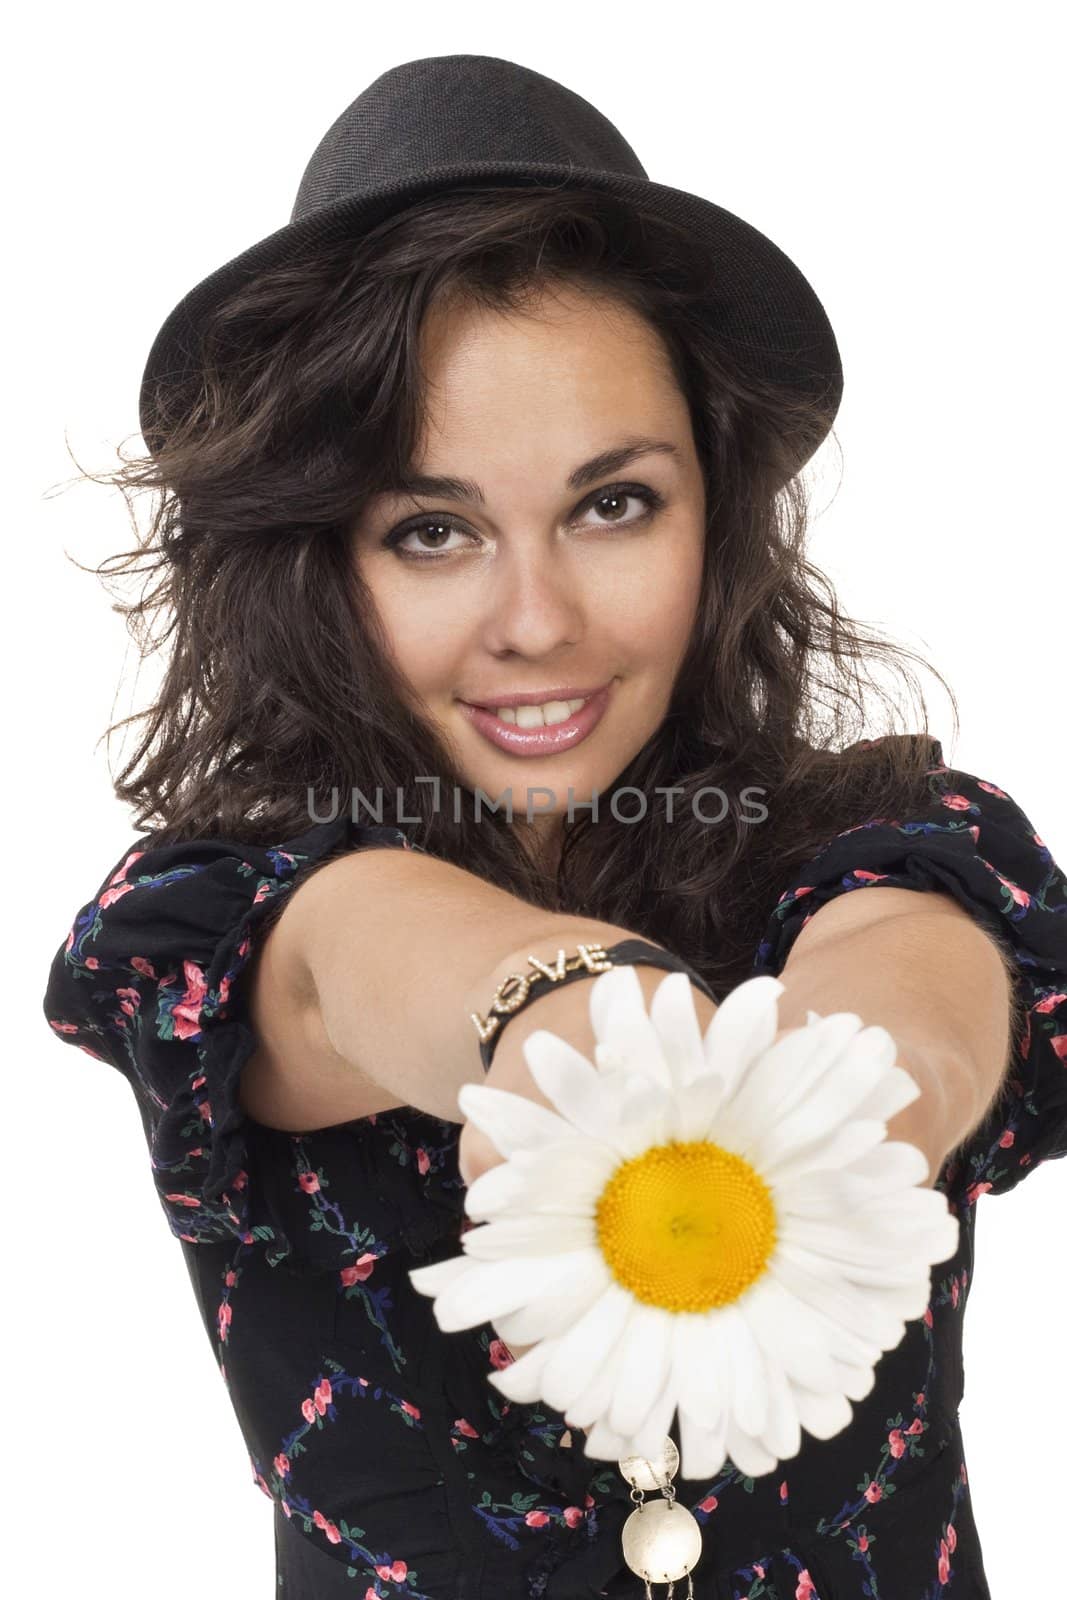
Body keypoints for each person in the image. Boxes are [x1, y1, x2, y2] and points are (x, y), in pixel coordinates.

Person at [42, 53, 1067, 1600]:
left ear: (713, 514)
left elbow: (916, 999)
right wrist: (579, 1019)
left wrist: (863, 1096)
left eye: (612, 505)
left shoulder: (898, 843)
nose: (537, 622)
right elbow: (363, 960)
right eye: (434, 530)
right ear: (319, 561)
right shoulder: (227, 915)